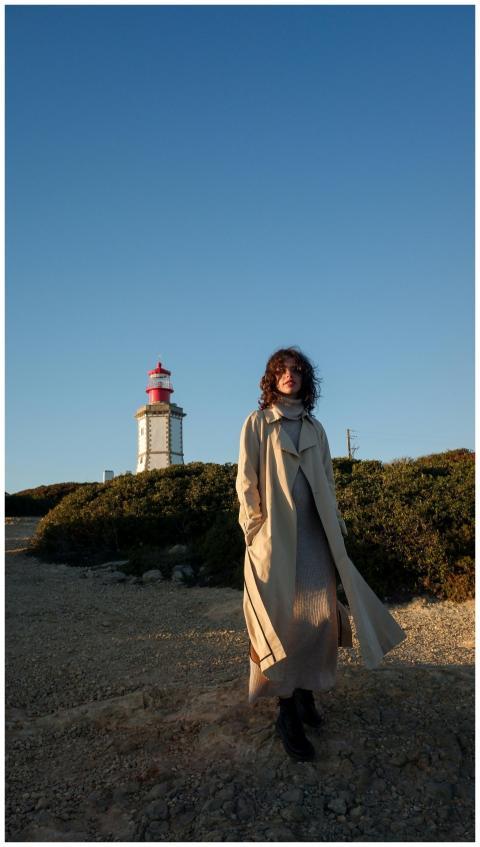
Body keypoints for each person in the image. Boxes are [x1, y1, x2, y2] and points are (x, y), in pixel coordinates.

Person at [235, 346, 406, 762]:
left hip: (316, 536)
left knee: (318, 617)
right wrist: (256, 530)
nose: (289, 375)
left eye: (296, 370)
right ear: (271, 378)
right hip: (275, 539)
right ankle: (286, 709)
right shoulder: (257, 423)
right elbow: (246, 480)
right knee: (281, 621)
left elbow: (327, 480)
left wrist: (337, 524)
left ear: (305, 379)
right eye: (282, 370)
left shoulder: (316, 428)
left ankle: (305, 691)